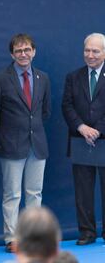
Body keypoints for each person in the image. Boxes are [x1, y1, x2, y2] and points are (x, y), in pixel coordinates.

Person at [0, 33, 51, 253]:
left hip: (37, 144)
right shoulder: (0, 78)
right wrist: (9, 134)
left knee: (35, 193)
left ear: (34, 52)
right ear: (11, 54)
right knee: (12, 194)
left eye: (27, 50)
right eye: (18, 50)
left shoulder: (43, 78)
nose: (23, 54)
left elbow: (45, 111)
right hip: (10, 145)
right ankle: (12, 238)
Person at [62, 32, 105, 246]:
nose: (90, 55)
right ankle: (87, 232)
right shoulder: (73, 76)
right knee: (83, 191)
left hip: (104, 139)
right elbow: (67, 106)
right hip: (80, 141)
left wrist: (96, 130)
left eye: (95, 51)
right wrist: (82, 127)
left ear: (104, 53)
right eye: (87, 50)